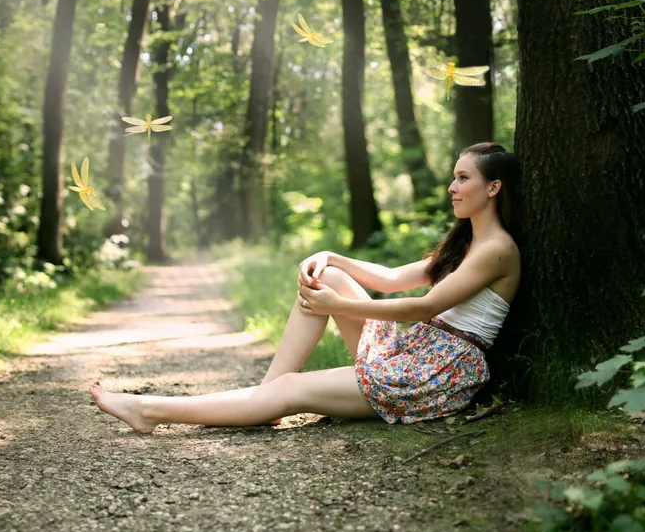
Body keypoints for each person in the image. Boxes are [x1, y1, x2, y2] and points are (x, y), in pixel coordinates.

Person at [90, 142, 521, 431]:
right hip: (418, 352)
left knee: (293, 390)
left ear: (493, 187)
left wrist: (336, 303)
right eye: (454, 177)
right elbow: (391, 280)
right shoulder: (466, 243)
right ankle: (264, 401)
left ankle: (150, 410)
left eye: (463, 178)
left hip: (438, 372)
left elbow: (418, 306)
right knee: (327, 278)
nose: (452, 187)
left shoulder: (496, 249)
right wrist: (330, 257)